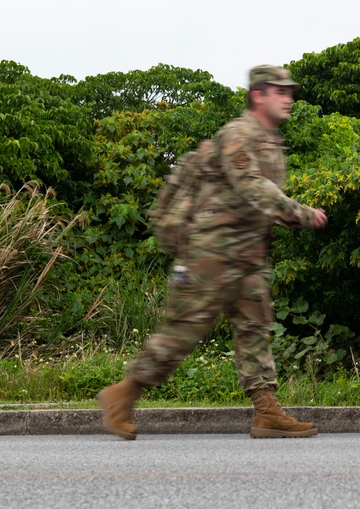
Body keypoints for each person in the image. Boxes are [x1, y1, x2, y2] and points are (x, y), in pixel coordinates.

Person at [97, 65, 328, 440]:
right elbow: (252, 185)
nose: (289, 98)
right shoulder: (237, 134)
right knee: (184, 331)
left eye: (290, 92)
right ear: (258, 95)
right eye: (280, 92)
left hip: (247, 253)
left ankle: (267, 412)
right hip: (212, 251)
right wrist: (301, 214)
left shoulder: (271, 141)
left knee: (254, 328)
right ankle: (123, 394)